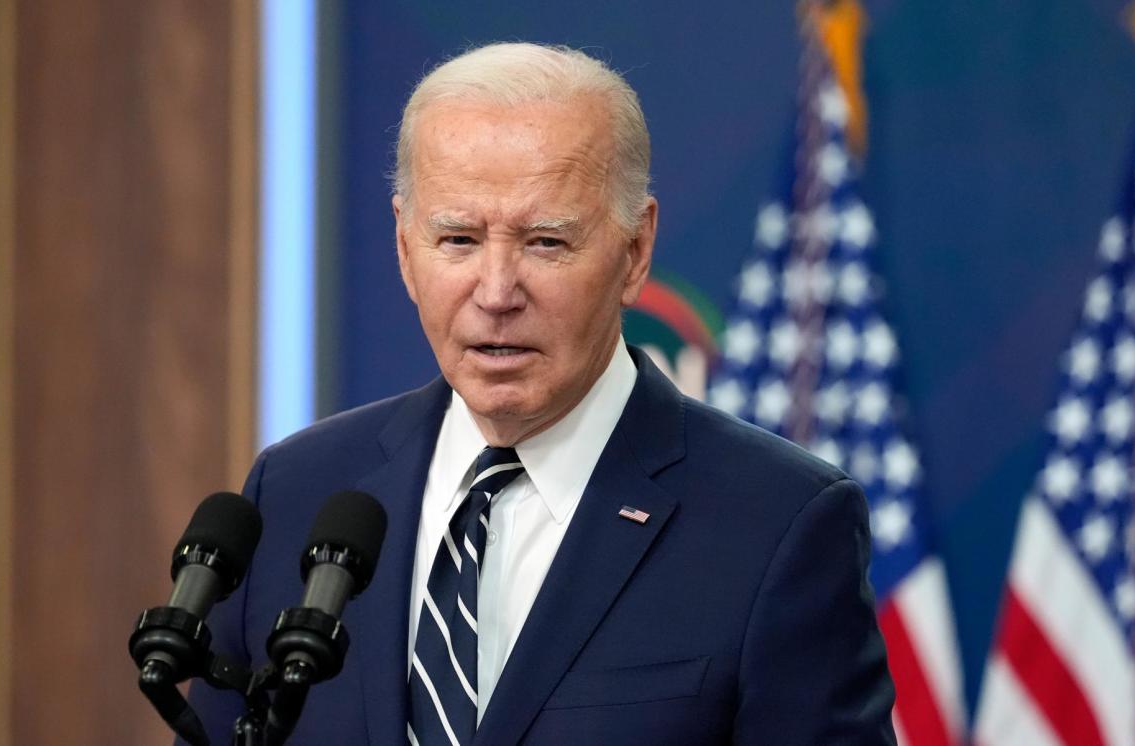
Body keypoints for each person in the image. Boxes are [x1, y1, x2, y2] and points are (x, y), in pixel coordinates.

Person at [187, 42, 895, 745]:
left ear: (636, 249)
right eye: (458, 239)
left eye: (546, 243)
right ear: (404, 248)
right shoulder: (294, 493)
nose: (496, 293)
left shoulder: (778, 523)